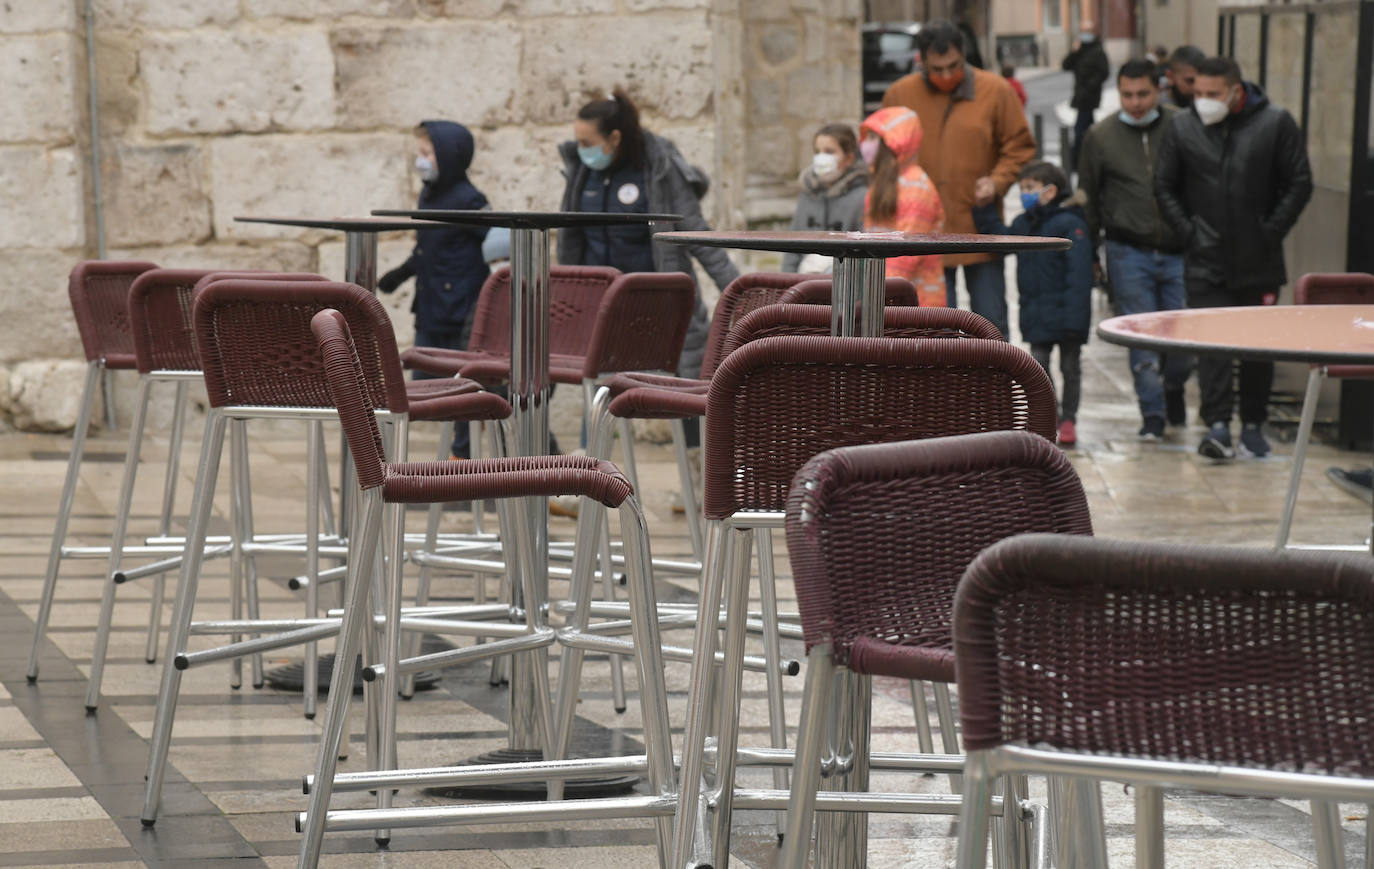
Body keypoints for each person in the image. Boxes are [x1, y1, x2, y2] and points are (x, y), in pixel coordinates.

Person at [1154, 56, 1313, 459]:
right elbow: (1164, 186)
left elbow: (1298, 181)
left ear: (1236, 91)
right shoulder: (1183, 127)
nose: (1203, 101)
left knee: (1259, 345)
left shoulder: (1275, 123)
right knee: (1212, 346)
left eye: (1212, 94)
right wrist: (1189, 232)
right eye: (1198, 94)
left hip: (1258, 259)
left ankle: (1254, 425)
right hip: (1204, 258)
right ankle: (1218, 425)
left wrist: (1270, 230)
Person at [557, 89, 739, 381]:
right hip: (602, 308)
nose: (580, 149)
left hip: (659, 306)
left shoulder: (659, 167)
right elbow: (572, 241)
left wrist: (740, 294)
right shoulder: (582, 172)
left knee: (684, 392)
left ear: (614, 138)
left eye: (587, 143)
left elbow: (699, 236)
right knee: (598, 399)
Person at [882, 19, 1036, 340]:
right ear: (921, 61)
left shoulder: (996, 91)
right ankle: (943, 389)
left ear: (964, 55)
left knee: (991, 324)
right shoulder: (900, 94)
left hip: (979, 227)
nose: (945, 75)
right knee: (933, 331)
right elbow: (884, 153)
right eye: (936, 69)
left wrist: (997, 181)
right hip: (923, 234)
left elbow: (1019, 146)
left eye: (953, 66)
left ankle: (995, 388)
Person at [1077, 59, 1190, 441]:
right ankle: (1153, 414)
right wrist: (1090, 252)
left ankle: (1173, 387)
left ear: (1159, 88)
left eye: (1143, 94)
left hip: (1179, 249)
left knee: (1182, 339)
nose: (1136, 102)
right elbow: (1089, 197)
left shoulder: (1181, 126)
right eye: (1127, 95)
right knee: (1141, 336)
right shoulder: (1101, 136)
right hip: (1128, 250)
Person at [378, 120, 490, 458]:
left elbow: (497, 245)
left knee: (465, 388)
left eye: (428, 153)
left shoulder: (470, 200)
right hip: (430, 307)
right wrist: (400, 274)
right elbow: (428, 249)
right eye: (420, 152)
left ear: (449, 156)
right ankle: (401, 461)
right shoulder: (430, 195)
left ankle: (461, 459)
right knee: (423, 387)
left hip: (460, 307)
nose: (421, 160)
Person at [973, 161, 1092, 447]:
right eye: (1022, 188)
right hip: (1037, 314)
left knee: (1070, 368)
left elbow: (1080, 277)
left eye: (1030, 188)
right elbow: (1001, 239)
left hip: (1067, 315)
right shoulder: (1025, 223)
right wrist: (985, 207)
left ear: (1050, 191)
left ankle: (1069, 419)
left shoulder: (1071, 223)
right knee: (1040, 367)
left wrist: (1076, 320)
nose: (1025, 194)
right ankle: (1050, 415)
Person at [858, 107, 947, 306]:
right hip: (887, 294)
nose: (866, 144)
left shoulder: (916, 185)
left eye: (874, 137)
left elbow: (906, 250)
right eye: (867, 137)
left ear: (896, 140)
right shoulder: (883, 183)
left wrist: (878, 295)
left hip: (915, 301)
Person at [782, 123, 868, 272]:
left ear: (848, 158)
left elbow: (865, 252)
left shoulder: (863, 197)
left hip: (844, 281)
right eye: (817, 152)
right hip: (804, 282)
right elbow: (792, 249)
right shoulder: (807, 194)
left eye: (829, 152)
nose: (821, 157)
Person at [1061, 29, 1109, 167]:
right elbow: (1066, 65)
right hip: (1080, 95)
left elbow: (1104, 72)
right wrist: (1074, 51)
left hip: (1090, 96)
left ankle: (1076, 161)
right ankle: (1087, 158)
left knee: (1080, 129)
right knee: (1088, 130)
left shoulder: (1098, 52)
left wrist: (1090, 86)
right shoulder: (1080, 51)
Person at [1161, 45, 1205, 109]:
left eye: (1202, 81)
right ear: (1170, 77)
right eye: (1190, 81)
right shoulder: (1154, 107)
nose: (1197, 87)